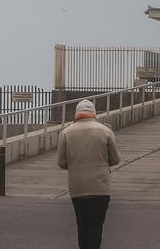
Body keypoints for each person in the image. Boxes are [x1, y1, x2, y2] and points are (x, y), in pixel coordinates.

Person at [57, 99, 122, 249]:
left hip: (78, 188)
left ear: (76, 113)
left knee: (82, 226)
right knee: (96, 227)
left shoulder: (66, 133)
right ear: (93, 113)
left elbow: (61, 162)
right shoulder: (105, 131)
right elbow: (115, 159)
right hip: (100, 188)